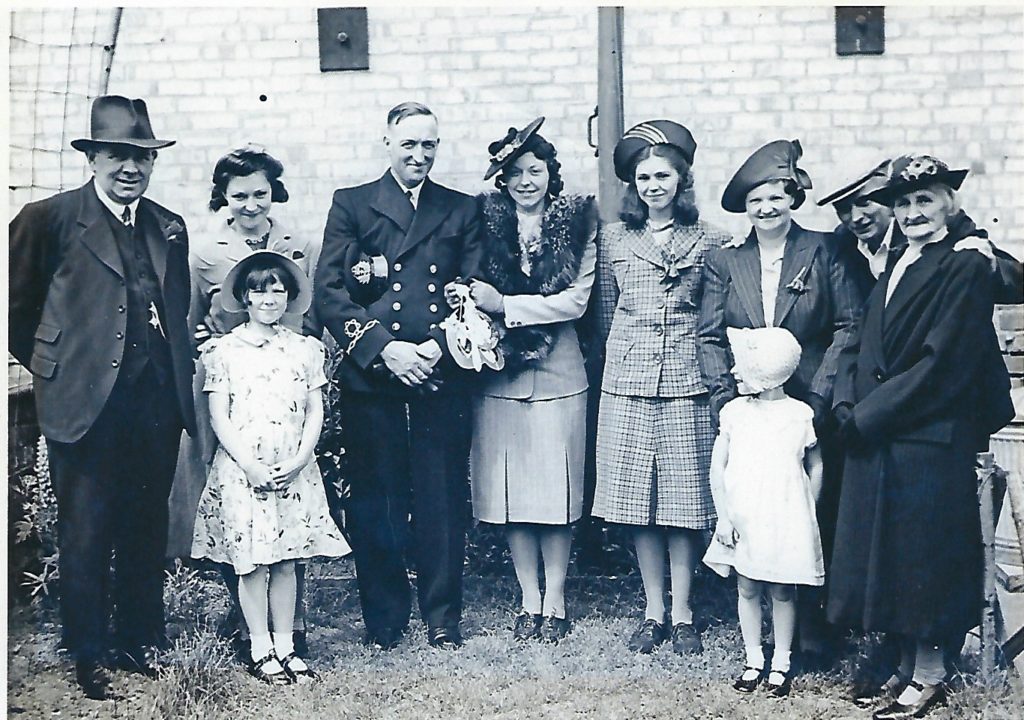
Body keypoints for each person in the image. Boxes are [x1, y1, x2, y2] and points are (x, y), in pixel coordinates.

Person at [8, 96, 196, 699]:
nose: (130, 168)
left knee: (146, 524)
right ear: (93, 157)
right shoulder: (49, 219)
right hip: (83, 405)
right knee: (85, 530)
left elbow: (174, 309)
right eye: (117, 155)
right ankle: (87, 653)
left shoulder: (168, 224)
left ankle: (141, 638)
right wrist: (58, 371)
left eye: (142, 156)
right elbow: (17, 314)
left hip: (154, 406)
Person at [827, 155, 1015, 720]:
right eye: (904, 202)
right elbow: (866, 341)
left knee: (925, 555)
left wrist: (868, 417)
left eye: (926, 200)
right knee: (889, 553)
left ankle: (932, 671)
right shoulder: (899, 260)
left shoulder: (963, 263)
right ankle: (908, 663)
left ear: (950, 205)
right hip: (884, 429)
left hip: (928, 432)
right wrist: (844, 402)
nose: (914, 213)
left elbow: (943, 361)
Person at [314, 102, 482, 650]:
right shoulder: (353, 204)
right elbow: (331, 294)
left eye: (428, 145)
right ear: (387, 142)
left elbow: (475, 289)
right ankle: (385, 618)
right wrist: (386, 351)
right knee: (376, 498)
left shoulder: (460, 208)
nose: (419, 155)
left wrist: (435, 347)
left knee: (442, 496)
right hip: (375, 377)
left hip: (439, 372)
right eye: (408, 144)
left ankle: (442, 617)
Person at [697, 138, 862, 668]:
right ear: (744, 209)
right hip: (748, 403)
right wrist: (726, 396)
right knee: (751, 504)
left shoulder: (823, 250)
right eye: (755, 202)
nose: (766, 209)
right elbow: (707, 335)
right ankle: (755, 633)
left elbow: (847, 324)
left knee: (808, 509)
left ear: (793, 198)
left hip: (808, 401)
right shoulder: (726, 260)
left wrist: (817, 395)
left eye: (776, 197)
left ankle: (811, 630)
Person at [165, 144, 318, 657]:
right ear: (223, 198)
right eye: (239, 196)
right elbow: (186, 326)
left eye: (260, 193)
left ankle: (290, 628)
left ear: (274, 191)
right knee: (241, 506)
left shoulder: (297, 243)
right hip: (235, 393)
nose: (251, 205)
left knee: (288, 511)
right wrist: (208, 348)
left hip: (290, 394)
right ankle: (249, 628)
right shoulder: (207, 252)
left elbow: (310, 315)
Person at [453, 117, 596, 643]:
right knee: (513, 492)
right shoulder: (483, 224)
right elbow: (466, 283)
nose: (525, 181)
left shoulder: (579, 222)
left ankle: (555, 599)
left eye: (535, 170)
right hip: (500, 375)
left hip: (560, 372)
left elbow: (575, 301)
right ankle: (527, 598)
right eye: (515, 172)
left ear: (550, 174)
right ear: (503, 179)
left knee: (555, 492)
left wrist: (505, 304)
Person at [592, 121, 731, 655]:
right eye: (644, 177)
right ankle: (653, 610)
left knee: (683, 503)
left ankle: (684, 611)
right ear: (633, 185)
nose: (654, 185)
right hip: (627, 384)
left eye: (664, 175)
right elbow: (606, 313)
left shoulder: (711, 238)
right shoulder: (613, 240)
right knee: (636, 504)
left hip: (686, 383)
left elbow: (716, 311)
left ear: (682, 180)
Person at [191, 251, 349, 684]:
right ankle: (259, 648)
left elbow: (316, 410)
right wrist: (250, 464)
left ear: (290, 297)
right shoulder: (223, 351)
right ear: (244, 295)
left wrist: (300, 459)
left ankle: (287, 646)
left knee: (285, 560)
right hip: (245, 473)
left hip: (293, 470)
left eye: (278, 290)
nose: (269, 298)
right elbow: (219, 415)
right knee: (252, 562)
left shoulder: (305, 350)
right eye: (259, 289)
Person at [703, 327, 824, 698]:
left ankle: (782, 661)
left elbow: (815, 465)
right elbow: (717, 470)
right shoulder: (734, 413)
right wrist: (723, 517)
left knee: (783, 590)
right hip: (745, 519)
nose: (734, 372)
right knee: (748, 586)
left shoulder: (799, 415)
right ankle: (753, 658)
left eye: (743, 367)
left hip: (784, 519)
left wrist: (808, 511)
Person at [817, 157, 1024, 303]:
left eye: (865, 202)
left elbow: (1017, 283)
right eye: (843, 209)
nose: (856, 218)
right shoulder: (842, 243)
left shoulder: (943, 227)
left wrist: (991, 265)